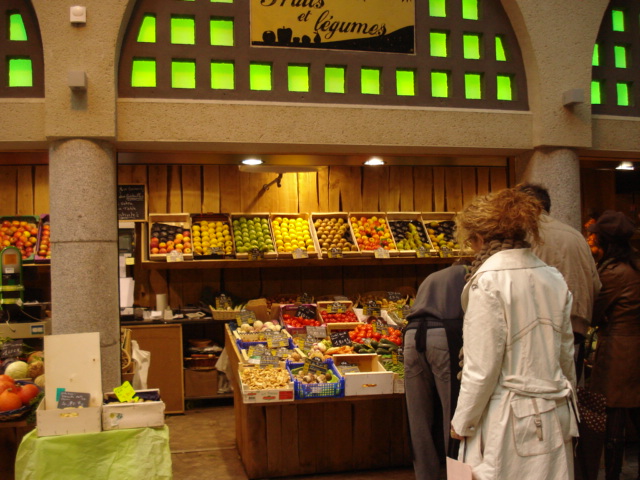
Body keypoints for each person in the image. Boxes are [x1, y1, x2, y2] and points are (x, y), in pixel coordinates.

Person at [450, 188, 578, 480]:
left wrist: (463, 420)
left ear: (479, 237)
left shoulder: (488, 281)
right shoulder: (552, 276)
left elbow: (481, 368)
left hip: (508, 419)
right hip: (556, 413)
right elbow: (566, 355)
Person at [515, 183, 601, 382]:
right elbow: (596, 285)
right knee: (569, 386)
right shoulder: (576, 236)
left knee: (540, 389)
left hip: (535, 327)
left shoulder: (524, 235)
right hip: (576, 326)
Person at [587, 210, 640, 480]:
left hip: (619, 350)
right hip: (629, 346)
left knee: (614, 417)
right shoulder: (632, 265)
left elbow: (594, 312)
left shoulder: (614, 272)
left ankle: (612, 473)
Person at [403, 261, 467, 480]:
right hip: (443, 337)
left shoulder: (433, 276)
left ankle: (425, 475)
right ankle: (457, 475)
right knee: (454, 411)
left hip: (411, 336)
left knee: (418, 416)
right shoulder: (470, 274)